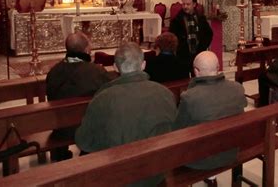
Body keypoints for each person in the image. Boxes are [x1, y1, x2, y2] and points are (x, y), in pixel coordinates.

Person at [75, 42, 177, 186]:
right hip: (156, 173)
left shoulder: (103, 98)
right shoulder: (165, 93)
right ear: (143, 65)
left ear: (115, 67)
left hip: (120, 178)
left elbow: (84, 141)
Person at [174, 51, 247, 186]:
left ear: (196, 71)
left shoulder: (190, 97)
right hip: (231, 150)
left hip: (202, 160)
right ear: (218, 67)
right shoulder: (237, 88)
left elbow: (178, 130)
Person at [46, 31, 112, 161]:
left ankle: (61, 153)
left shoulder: (54, 71)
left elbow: (51, 95)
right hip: (88, 127)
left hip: (61, 127)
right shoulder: (96, 71)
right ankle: (88, 151)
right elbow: (109, 94)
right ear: (87, 49)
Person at [170, 0, 213, 75]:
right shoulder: (176, 20)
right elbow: (172, 37)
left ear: (194, 4)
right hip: (183, 55)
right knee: (184, 78)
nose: (185, 6)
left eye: (188, 4)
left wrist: (203, 46)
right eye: (183, 4)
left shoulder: (200, 18)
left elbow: (209, 33)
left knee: (198, 76)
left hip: (198, 53)